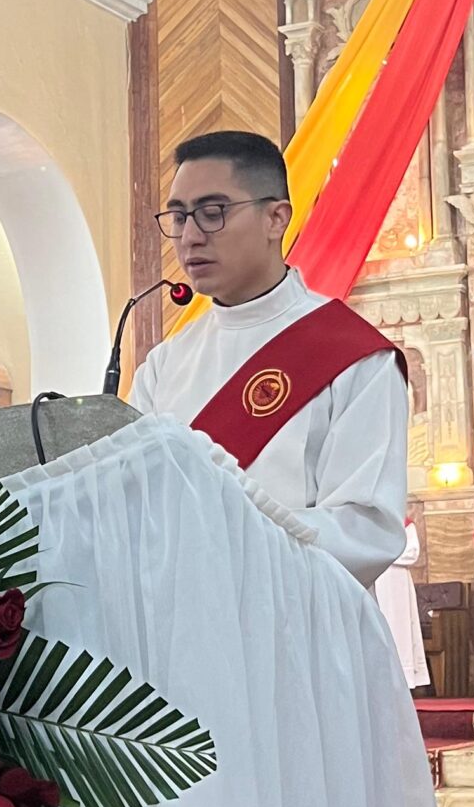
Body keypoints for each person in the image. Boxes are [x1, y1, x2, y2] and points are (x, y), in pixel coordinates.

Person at [128, 129, 410, 588]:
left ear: (276, 218)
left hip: (297, 616)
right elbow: (133, 504)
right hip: (180, 615)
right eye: (178, 217)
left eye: (213, 213)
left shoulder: (354, 358)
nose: (190, 237)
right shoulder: (164, 366)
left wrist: (219, 541)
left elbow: (366, 531)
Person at [374, 518, 431, 692]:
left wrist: (381, 553)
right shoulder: (368, 521)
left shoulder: (404, 523)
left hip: (396, 580)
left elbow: (411, 553)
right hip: (374, 577)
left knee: (400, 627)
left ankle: (403, 680)